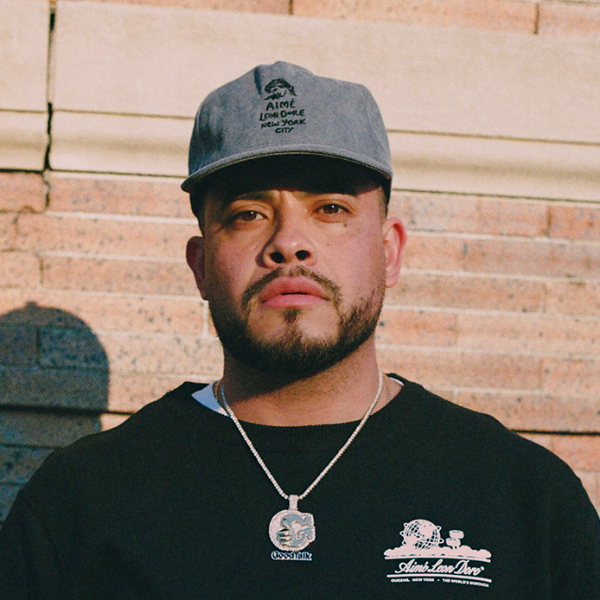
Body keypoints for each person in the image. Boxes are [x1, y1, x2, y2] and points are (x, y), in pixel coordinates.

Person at [0, 61, 598, 599]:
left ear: (389, 252)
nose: (289, 242)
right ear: (201, 265)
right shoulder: (79, 503)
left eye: (330, 209)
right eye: (248, 214)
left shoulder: (526, 500)